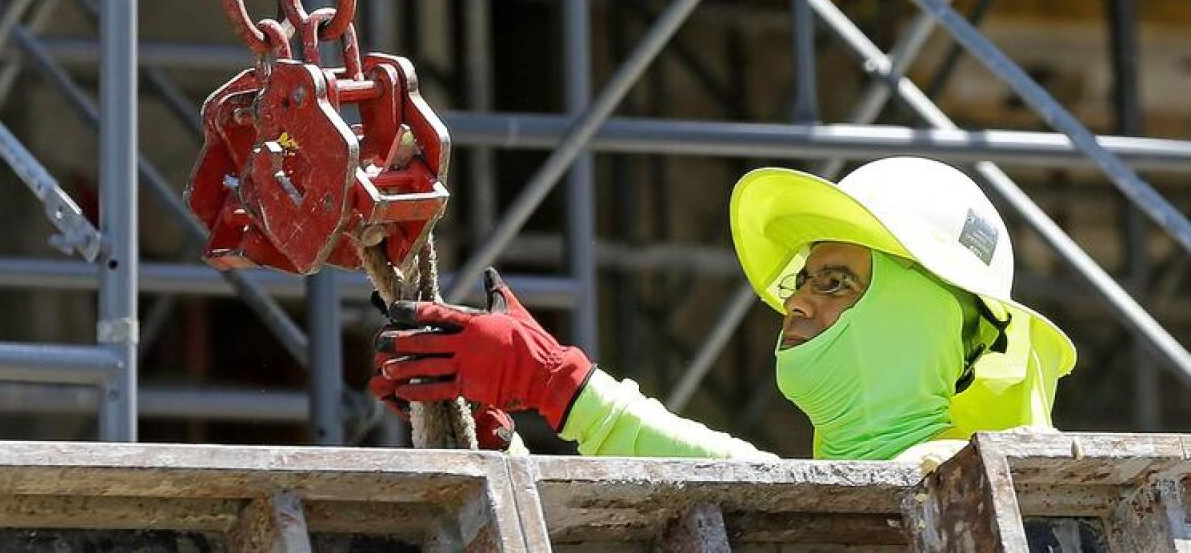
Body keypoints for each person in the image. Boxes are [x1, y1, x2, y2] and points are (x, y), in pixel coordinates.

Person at [369, 157, 1076, 463]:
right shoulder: (856, 500)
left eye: (834, 281)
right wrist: (501, 454)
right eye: (806, 277)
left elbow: (767, 488)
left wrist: (562, 384)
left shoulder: (957, 474)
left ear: (919, 320)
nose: (796, 297)